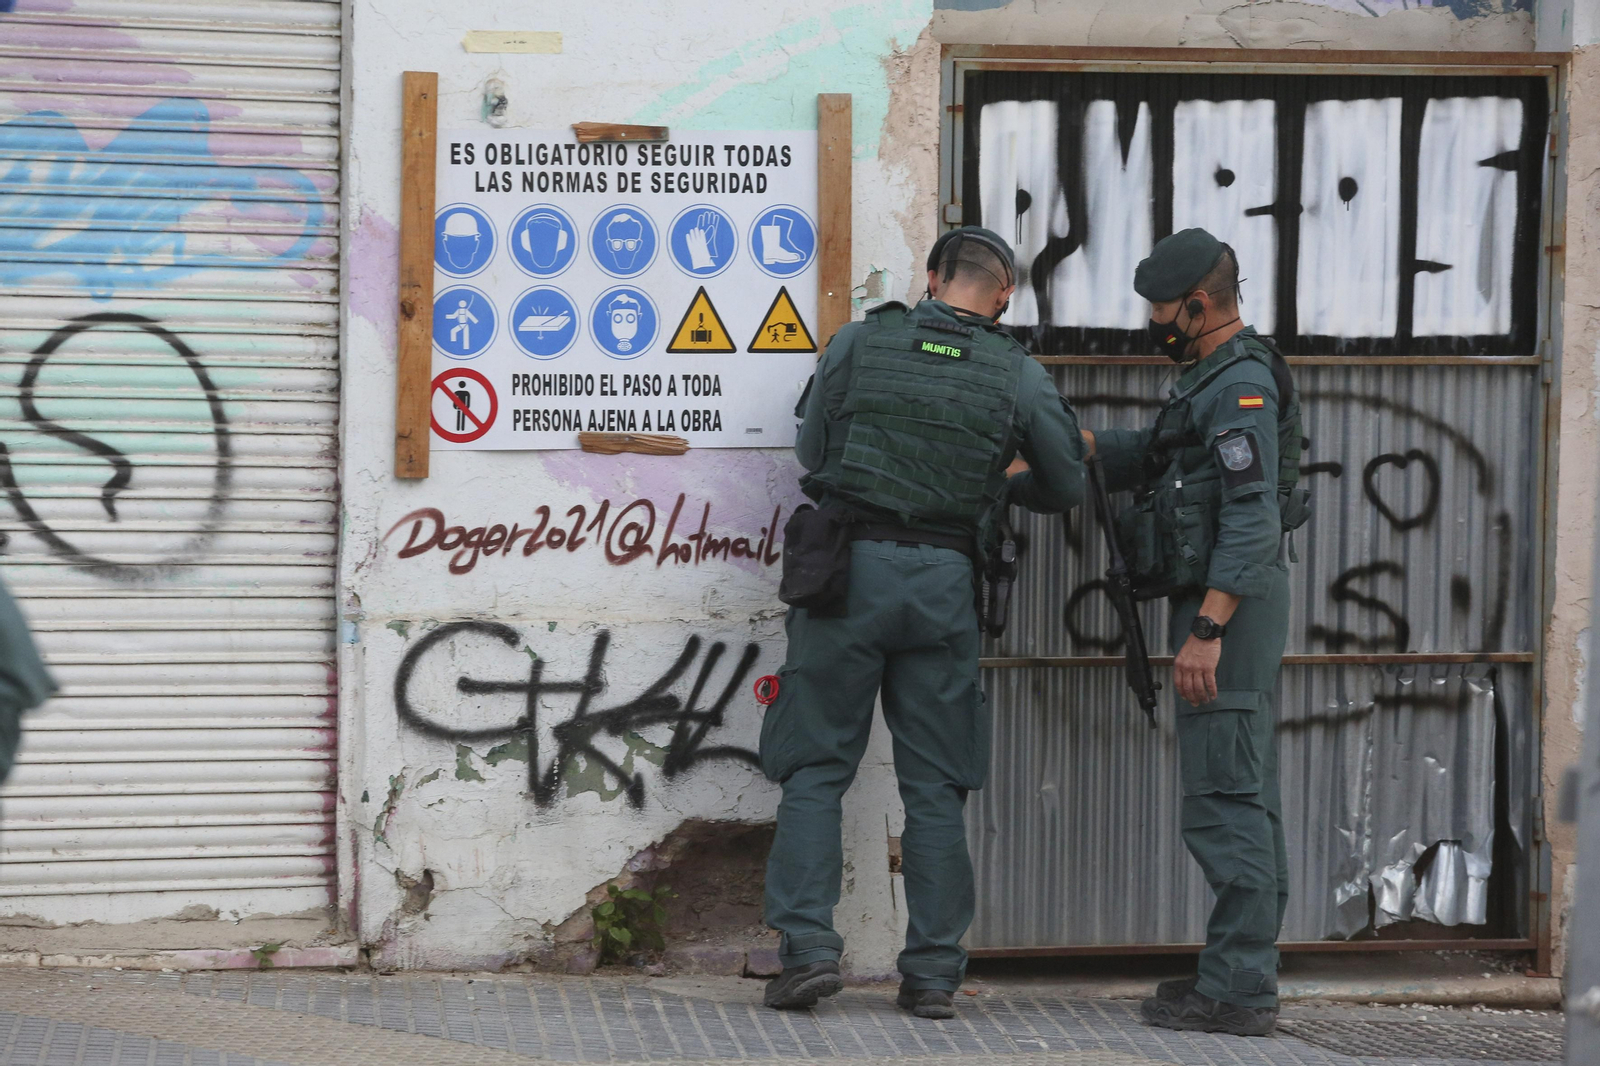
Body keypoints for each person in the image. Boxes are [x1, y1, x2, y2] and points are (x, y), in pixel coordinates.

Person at [759, 227, 1087, 1019]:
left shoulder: (861, 342)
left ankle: (807, 953)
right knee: (935, 786)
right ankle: (934, 974)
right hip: (944, 584)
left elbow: (812, 451)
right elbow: (1067, 482)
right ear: (1004, 293)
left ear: (932, 276)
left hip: (847, 574)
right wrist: (996, 486)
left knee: (815, 771)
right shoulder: (1018, 373)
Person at [1085, 228, 1306, 1037]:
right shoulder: (1208, 378)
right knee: (1241, 789)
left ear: (1200, 304)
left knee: (1224, 799)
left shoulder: (1240, 382)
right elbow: (1154, 455)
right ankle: (1234, 969)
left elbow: (1250, 519)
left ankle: (1242, 991)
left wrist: (1207, 629)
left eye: (1162, 310)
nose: (1155, 322)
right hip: (1222, 601)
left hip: (1230, 608)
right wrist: (1068, 448)